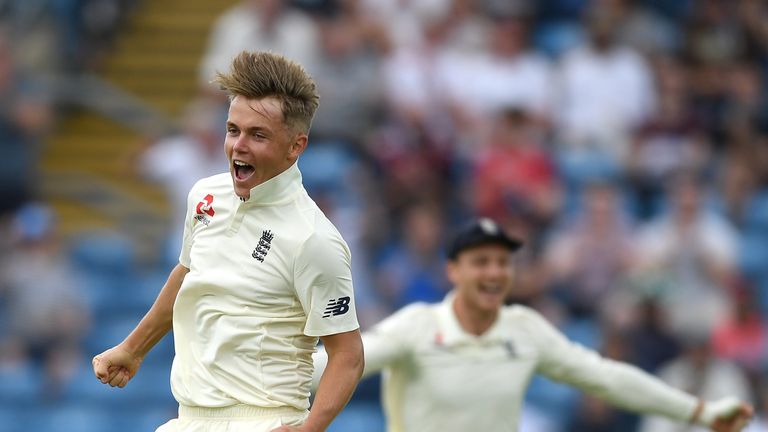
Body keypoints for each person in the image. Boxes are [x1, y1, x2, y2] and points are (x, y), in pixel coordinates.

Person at [92, 51, 364, 432]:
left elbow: (348, 355)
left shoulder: (314, 239)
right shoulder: (205, 196)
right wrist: (133, 348)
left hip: (263, 420)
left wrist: (308, 429)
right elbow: (188, 274)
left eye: (258, 135)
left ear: (296, 146)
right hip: (188, 419)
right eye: (233, 130)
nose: (239, 145)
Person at [314, 217, 754, 432]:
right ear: (453, 271)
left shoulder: (525, 328)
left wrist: (700, 412)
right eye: (481, 262)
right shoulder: (417, 326)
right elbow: (346, 361)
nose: (495, 273)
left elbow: (607, 378)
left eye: (503, 262)